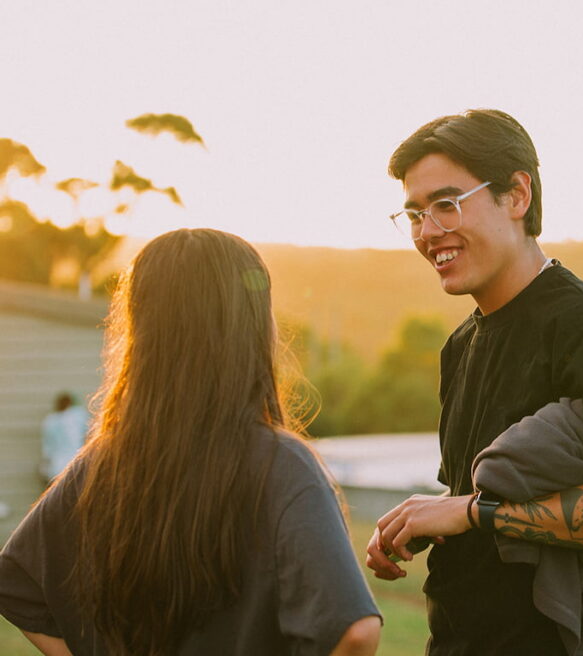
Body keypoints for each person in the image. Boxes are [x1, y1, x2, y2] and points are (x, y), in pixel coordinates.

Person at [366, 109, 583, 655]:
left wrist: (470, 512)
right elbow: (477, 499)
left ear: (517, 195)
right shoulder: (461, 344)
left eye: (446, 204)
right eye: (414, 213)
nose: (427, 232)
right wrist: (427, 517)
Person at [0, 229, 381, 656]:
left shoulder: (103, 462)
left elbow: (17, 585)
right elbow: (354, 632)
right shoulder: (282, 465)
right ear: (250, 327)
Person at [39, 392, 89, 484]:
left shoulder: (51, 421)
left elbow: (47, 448)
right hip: (76, 462)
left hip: (57, 466)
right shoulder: (79, 416)